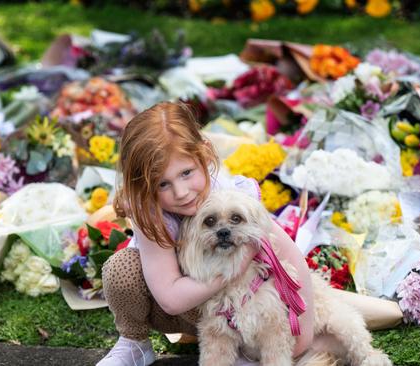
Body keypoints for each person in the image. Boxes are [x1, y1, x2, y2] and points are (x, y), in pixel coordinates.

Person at [97, 102, 315, 366]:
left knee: (256, 284)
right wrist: (231, 268)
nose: (181, 192)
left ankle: (240, 349)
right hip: (182, 307)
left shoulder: (230, 198)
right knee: (121, 269)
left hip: (236, 309)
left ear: (204, 156)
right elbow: (170, 299)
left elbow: (289, 256)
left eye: (186, 173)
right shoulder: (152, 214)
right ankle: (134, 344)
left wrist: (303, 328)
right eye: (162, 184)